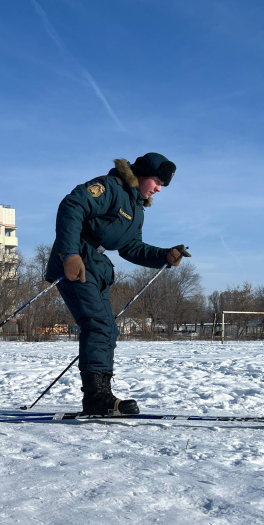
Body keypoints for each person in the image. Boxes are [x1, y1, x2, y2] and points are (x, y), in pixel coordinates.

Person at [45, 152, 190, 416]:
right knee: (98, 325)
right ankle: (96, 397)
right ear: (142, 174)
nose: (159, 188)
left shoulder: (136, 209)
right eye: (157, 181)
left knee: (109, 329)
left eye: (163, 185)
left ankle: (101, 393)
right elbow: (72, 206)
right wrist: (69, 254)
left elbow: (130, 247)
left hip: (96, 267)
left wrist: (163, 255)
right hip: (76, 262)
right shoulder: (110, 187)